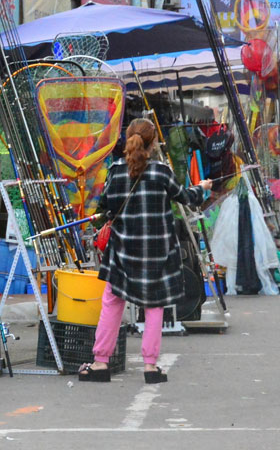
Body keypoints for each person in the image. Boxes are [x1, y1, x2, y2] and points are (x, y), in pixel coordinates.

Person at [80, 118, 211, 385]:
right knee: (154, 306)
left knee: (112, 301)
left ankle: (100, 362)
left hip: (123, 253)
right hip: (157, 253)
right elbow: (187, 198)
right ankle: (151, 367)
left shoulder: (115, 172)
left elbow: (105, 208)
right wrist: (203, 188)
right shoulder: (161, 172)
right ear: (152, 144)